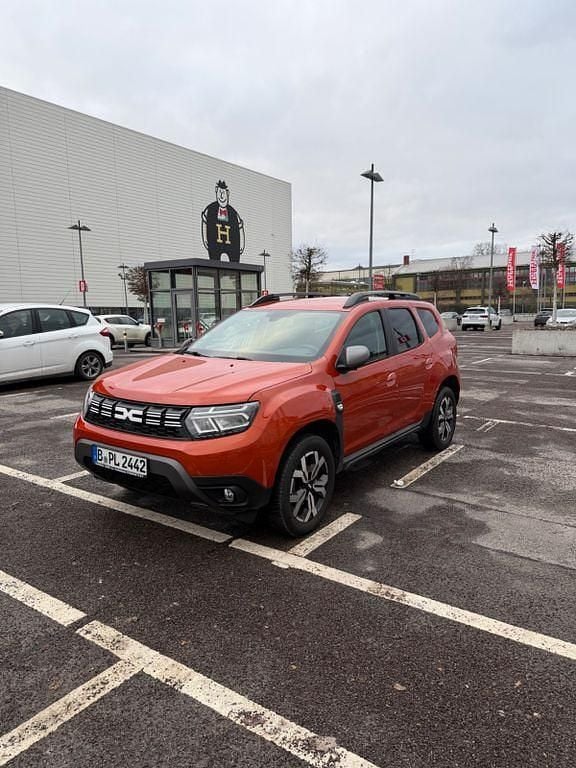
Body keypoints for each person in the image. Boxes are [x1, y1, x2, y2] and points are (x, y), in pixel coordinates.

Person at [201, 180, 245, 262]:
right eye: (220, 193)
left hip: (232, 244)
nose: (221, 196)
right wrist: (205, 240)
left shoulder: (232, 212)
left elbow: (240, 226)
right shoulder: (211, 209)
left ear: (227, 193)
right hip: (214, 243)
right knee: (214, 262)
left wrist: (242, 245)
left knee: (235, 263)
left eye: (223, 193)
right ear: (216, 191)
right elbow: (204, 221)